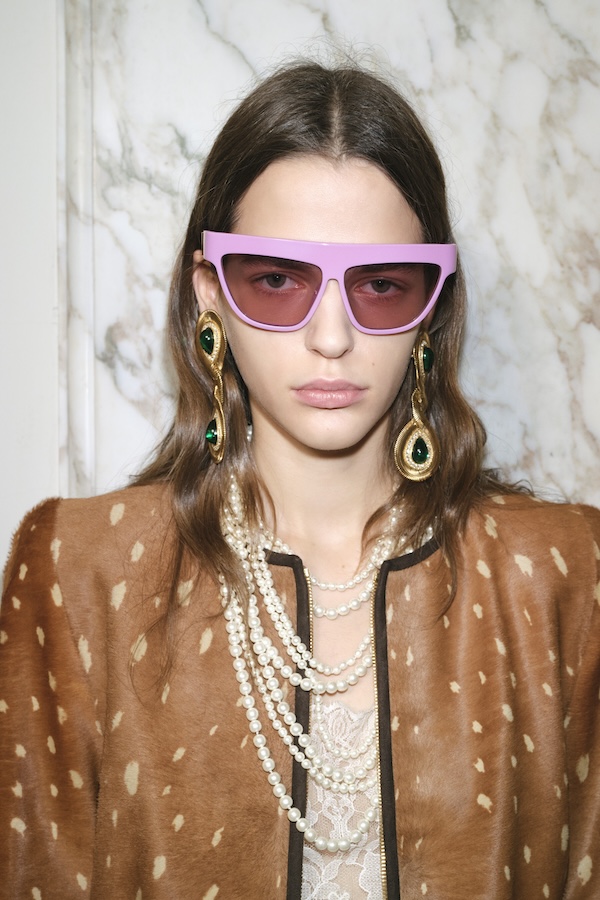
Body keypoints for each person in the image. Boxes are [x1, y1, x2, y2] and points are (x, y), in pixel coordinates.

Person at [1, 59, 598, 900]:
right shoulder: (80, 570)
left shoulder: (562, 575)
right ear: (210, 293)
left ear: (431, 304)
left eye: (382, 285)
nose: (331, 336)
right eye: (276, 280)